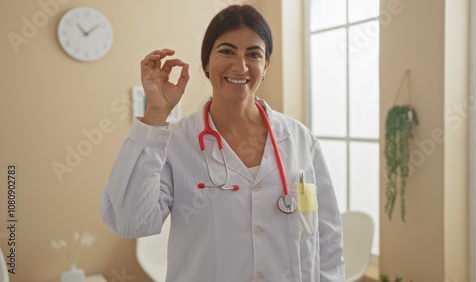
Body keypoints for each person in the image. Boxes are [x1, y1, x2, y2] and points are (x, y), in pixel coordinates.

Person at [101, 4, 344, 282]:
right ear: (206, 62)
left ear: (265, 66)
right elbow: (130, 221)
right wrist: (155, 114)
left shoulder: (300, 139)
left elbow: (328, 240)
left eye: (253, 54)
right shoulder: (175, 142)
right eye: (226, 51)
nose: (240, 66)